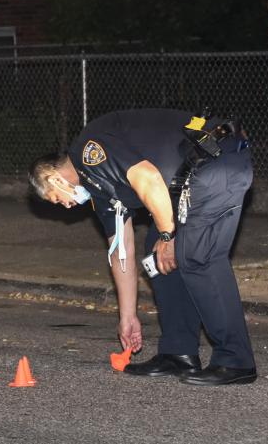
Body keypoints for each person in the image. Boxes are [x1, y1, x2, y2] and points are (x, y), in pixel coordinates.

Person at [28, 109, 256, 386]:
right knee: (154, 256)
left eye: (56, 199)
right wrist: (127, 317)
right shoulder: (98, 190)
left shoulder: (90, 151)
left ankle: (235, 360)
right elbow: (120, 251)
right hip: (193, 178)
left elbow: (148, 178)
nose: (64, 206)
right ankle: (178, 352)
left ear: (54, 179)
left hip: (217, 162)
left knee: (198, 256)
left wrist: (169, 235)